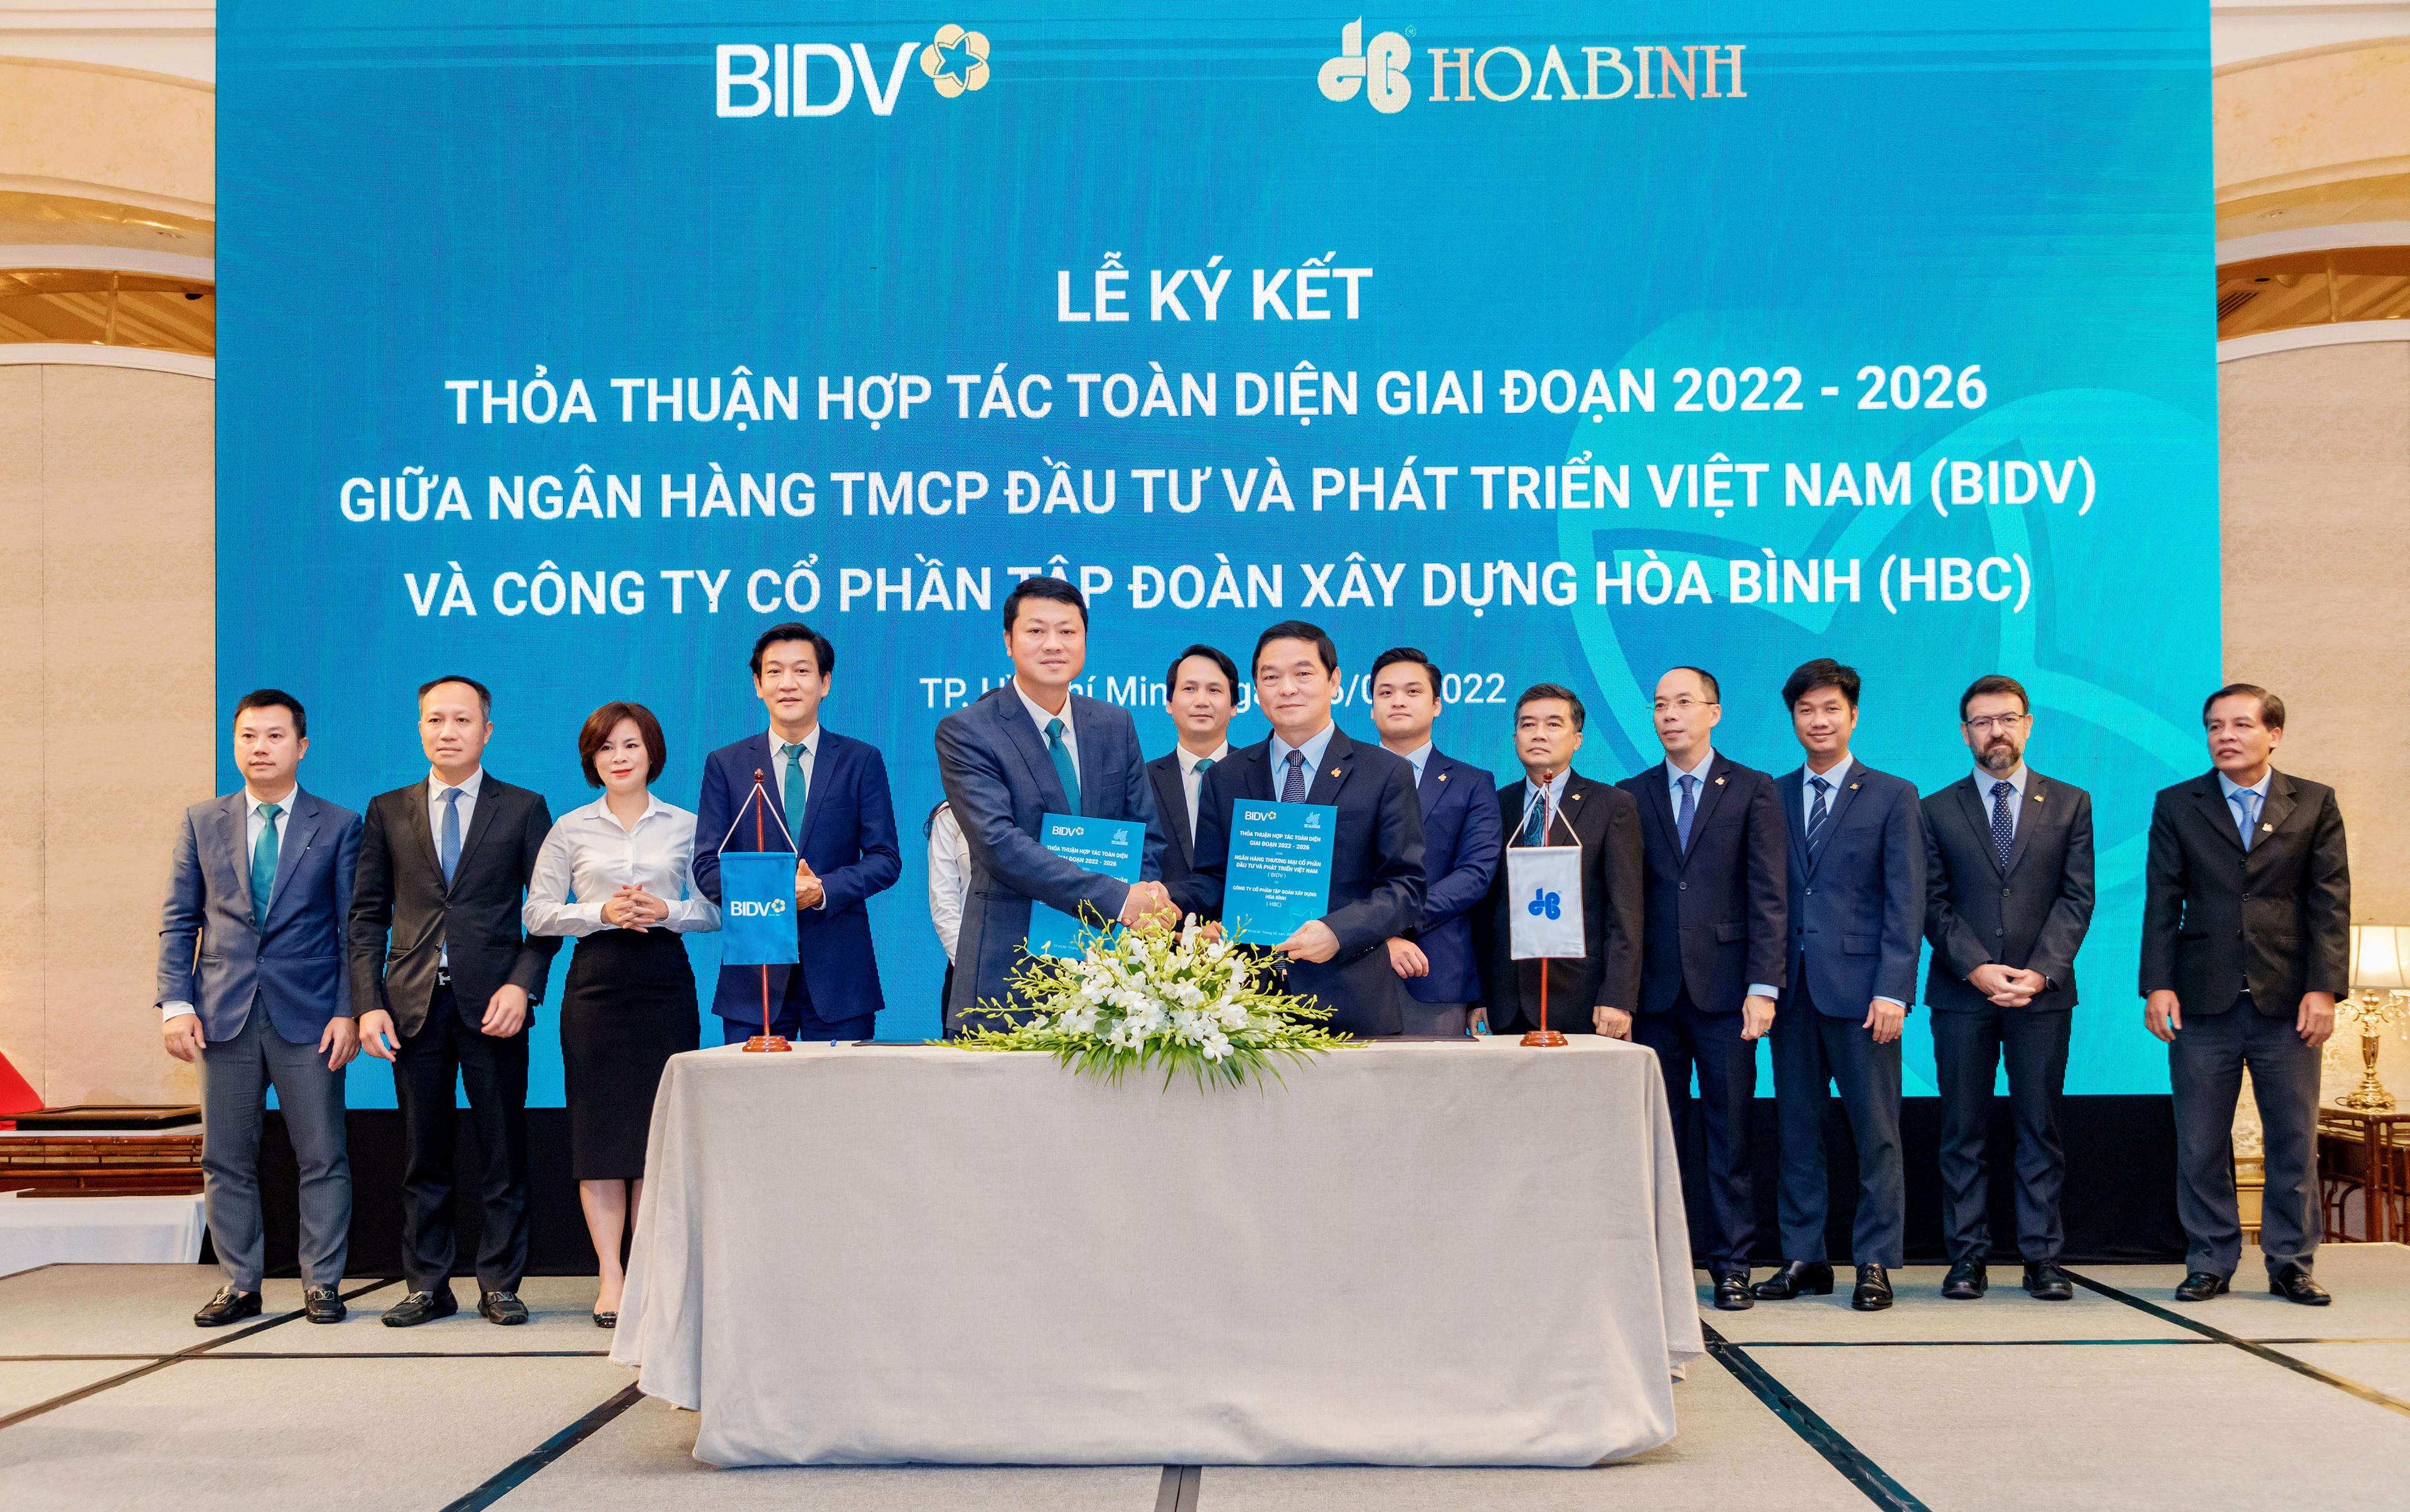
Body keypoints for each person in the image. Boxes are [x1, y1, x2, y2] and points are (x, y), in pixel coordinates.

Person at [350, 675, 560, 1328]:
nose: (449, 731)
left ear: (486, 730)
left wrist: (521, 985)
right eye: (436, 719)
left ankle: (500, 1282)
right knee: (423, 1152)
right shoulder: (387, 810)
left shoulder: (523, 808)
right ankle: (428, 1284)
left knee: (503, 1148)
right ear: (420, 728)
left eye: (462, 720)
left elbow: (547, 915)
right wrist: (368, 1003)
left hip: (495, 1005)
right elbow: (365, 918)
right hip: (411, 1007)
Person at [157, 690, 360, 1327]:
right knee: (225, 1157)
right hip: (222, 1014)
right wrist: (175, 1004)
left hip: (311, 1017)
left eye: (275, 736)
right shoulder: (201, 821)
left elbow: (354, 929)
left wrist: (349, 1010)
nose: (260, 747)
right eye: (248, 736)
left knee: (321, 1155)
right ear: (235, 744)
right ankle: (240, 1283)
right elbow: (179, 919)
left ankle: (321, 1283)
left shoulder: (339, 824)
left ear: (302, 746)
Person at [2145, 684, 2348, 1306]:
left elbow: (2330, 902)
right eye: (2214, 726)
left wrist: (2324, 988)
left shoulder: (2313, 802)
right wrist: (2157, 984)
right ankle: (2210, 1259)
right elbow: (2163, 900)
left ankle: (2291, 1264)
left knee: (2293, 1139)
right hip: (2202, 1002)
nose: (2225, 736)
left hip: (2288, 1003)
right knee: (2200, 1142)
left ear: (2273, 734)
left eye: (2240, 724)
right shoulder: (2178, 803)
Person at [523, 701, 718, 1327]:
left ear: (652, 752)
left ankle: (652, 1273)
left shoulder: (687, 825)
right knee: (600, 1133)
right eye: (606, 748)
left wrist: (666, 910)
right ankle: (612, 1275)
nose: (619, 757)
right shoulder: (570, 828)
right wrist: (600, 912)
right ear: (592, 759)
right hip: (596, 986)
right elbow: (537, 913)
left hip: (664, 982)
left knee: (657, 1132)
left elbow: (715, 910)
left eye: (631, 745)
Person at [1755, 659, 1925, 1312]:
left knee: (1876, 1133)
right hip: (1792, 992)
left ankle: (1874, 1262)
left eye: (1831, 709)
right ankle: (1805, 1257)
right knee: (1797, 1132)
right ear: (1793, 719)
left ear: (1853, 716)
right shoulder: (1770, 794)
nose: (1818, 721)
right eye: (1806, 710)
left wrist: (1894, 990)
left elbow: (1906, 900)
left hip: (1864, 997)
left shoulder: (1892, 794)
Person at [1615, 667, 1786, 1311]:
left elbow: (1769, 895)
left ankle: (1732, 1264)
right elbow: (1623, 903)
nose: (1669, 715)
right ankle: (1662, 1265)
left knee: (1729, 1133)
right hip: (1653, 995)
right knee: (1658, 1136)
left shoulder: (1753, 788)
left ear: (1714, 712)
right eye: (1660, 705)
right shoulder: (1630, 794)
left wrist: (1763, 986)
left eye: (1683, 703)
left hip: (1727, 995)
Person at [935, 576, 1174, 1034]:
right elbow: (999, 845)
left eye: (1067, 631)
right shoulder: (967, 730)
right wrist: (1118, 899)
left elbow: (1145, 833)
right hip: (1010, 972)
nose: (1053, 644)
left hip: (1111, 969)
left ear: (1084, 640)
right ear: (1009, 641)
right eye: (1036, 630)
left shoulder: (1114, 723)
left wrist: (1141, 903)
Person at [1922, 674, 2096, 1302]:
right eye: (1982, 721)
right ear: (1964, 732)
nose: (1996, 731)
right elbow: (1931, 901)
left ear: (2028, 724)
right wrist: (1976, 966)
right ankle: (1966, 1258)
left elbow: (2077, 898)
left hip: (2042, 995)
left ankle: (2042, 1257)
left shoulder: (2071, 802)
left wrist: (2041, 970)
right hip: (1961, 994)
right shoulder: (1934, 808)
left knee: (2039, 1128)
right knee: (1961, 1131)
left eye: (2007, 718)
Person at [1192, 621, 1426, 1036]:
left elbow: (1405, 887)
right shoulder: (1225, 777)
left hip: (1349, 1002)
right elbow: (1212, 880)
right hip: (1245, 1007)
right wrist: (1170, 907)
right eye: (1270, 677)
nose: (1286, 689)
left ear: (1334, 681)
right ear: (1256, 690)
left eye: (1303, 673)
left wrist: (1338, 932)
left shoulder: (1385, 772)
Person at [694, 623, 900, 1043]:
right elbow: (707, 866)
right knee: (753, 1088)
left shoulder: (861, 760)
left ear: (825, 683)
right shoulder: (726, 765)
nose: (788, 683)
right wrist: (778, 891)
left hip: (841, 974)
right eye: (774, 671)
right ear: (758, 685)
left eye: (802, 671)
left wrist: (822, 889)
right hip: (754, 976)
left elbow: (885, 859)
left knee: (842, 1087)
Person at [1474, 684, 1642, 1041]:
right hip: (1505, 1003)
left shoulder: (1612, 805)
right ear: (1515, 737)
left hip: (1583, 1000)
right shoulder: (1494, 805)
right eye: (1528, 724)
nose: (1538, 734)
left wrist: (1617, 997)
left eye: (1553, 724)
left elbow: (1625, 912)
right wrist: (1479, 996)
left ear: (1577, 739)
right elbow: (1483, 911)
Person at [1367, 647, 1500, 1036]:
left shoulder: (1472, 783)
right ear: (1372, 708)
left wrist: (1391, 923)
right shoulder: (1341, 778)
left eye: (1413, 691)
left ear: (1437, 704)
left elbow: (1474, 875)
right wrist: (1372, 936)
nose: (1398, 701)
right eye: (1386, 693)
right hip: (1347, 972)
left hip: (1433, 970)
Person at [1146, 643, 1238, 916]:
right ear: (1169, 703)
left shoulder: (1261, 776)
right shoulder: (1141, 780)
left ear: (1234, 705)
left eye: (1214, 690)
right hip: (1160, 935)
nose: (1201, 701)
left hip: (1242, 936)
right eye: (1189, 689)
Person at [927, 799, 970, 1013]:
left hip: (1041, 968)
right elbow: (944, 904)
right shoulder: (951, 814)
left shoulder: (1047, 806)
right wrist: (970, 967)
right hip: (969, 967)